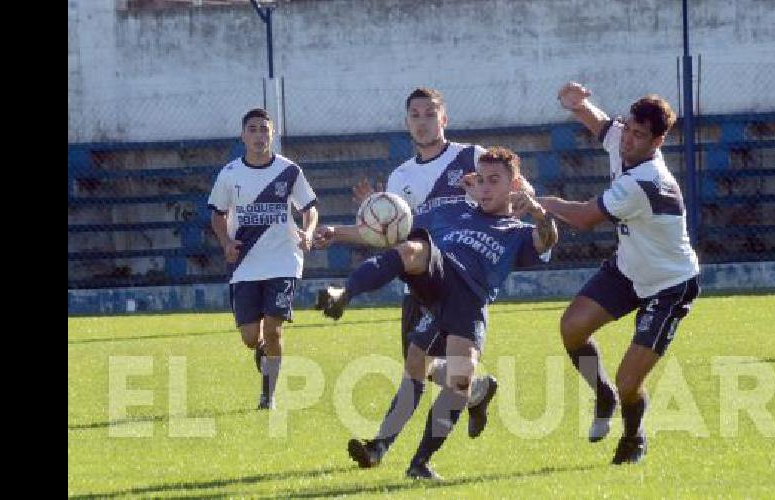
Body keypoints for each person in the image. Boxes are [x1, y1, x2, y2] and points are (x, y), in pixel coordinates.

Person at [314, 147, 558, 479]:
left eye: (494, 181)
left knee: (455, 378)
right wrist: (339, 232)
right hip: (439, 275)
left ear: (514, 185)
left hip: (469, 301)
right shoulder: (454, 209)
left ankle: (420, 464)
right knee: (413, 248)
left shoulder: (516, 233)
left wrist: (541, 213)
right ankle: (344, 293)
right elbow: (393, 229)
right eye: (481, 180)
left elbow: (547, 240)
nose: (485, 188)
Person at [537, 82, 701, 464]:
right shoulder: (623, 141)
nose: (627, 138)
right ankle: (603, 394)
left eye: (638, 134)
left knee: (631, 382)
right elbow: (601, 126)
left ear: (657, 142)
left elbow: (582, 219)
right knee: (572, 328)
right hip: (628, 268)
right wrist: (579, 106)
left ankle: (632, 438)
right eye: (627, 128)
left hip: (669, 285)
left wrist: (539, 202)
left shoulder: (646, 182)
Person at [340, 87, 506, 438]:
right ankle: (476, 390)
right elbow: (394, 234)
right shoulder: (401, 178)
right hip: (421, 281)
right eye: (415, 115)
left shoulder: (472, 158)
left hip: (462, 279)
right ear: (406, 123)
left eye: (430, 114)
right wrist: (340, 231)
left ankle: (390, 447)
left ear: (444, 119)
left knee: (427, 364)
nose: (422, 122)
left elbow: (512, 192)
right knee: (418, 364)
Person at [207, 108, 318, 410]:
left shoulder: (289, 171)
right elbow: (217, 216)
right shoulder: (229, 174)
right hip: (245, 263)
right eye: (253, 129)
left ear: (272, 134)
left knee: (273, 327)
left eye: (264, 129)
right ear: (243, 135)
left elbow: (309, 207)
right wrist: (226, 242)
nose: (259, 135)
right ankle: (261, 349)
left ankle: (267, 397)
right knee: (248, 336)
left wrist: (308, 231)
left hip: (284, 259)